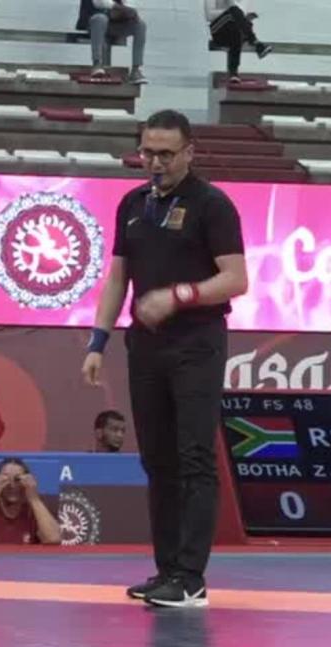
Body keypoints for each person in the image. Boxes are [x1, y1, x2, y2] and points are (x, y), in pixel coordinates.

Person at [81, 110, 249, 609]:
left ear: (189, 152)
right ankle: (167, 570)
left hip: (197, 341)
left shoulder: (212, 204)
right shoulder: (132, 204)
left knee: (194, 456)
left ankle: (191, 577)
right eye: (147, 153)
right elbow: (118, 278)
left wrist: (179, 295)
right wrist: (97, 341)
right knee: (157, 458)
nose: (155, 163)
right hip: (146, 345)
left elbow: (236, 279)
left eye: (166, 154)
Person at [0, 458, 62, 545]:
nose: (12, 485)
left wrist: (34, 497)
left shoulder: (35, 510)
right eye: (5, 479)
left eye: (17, 479)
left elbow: (53, 538)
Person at [75, 0, 147, 84]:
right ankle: (97, 64)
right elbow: (99, 2)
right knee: (100, 18)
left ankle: (136, 70)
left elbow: (128, 5)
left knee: (140, 25)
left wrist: (129, 12)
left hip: (114, 22)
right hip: (93, 19)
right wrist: (118, 8)